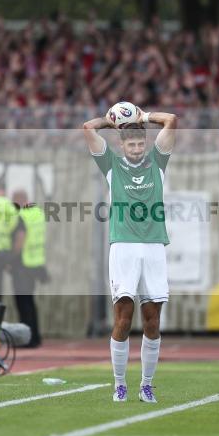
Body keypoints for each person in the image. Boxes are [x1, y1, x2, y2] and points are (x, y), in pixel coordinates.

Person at [82, 104, 177, 404]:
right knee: (123, 318)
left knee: (152, 320)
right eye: (131, 143)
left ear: (145, 144)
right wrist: (112, 122)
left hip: (153, 246)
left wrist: (141, 117)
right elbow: (88, 128)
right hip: (123, 246)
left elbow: (171, 120)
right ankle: (119, 384)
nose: (136, 148)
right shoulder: (111, 165)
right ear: (121, 145)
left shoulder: (157, 162)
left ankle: (146, 384)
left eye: (140, 143)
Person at [10, 190, 46, 348]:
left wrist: (10, 259)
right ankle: (35, 336)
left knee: (23, 303)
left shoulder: (21, 216)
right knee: (29, 302)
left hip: (22, 263)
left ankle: (28, 338)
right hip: (35, 263)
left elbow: (20, 239)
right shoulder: (38, 214)